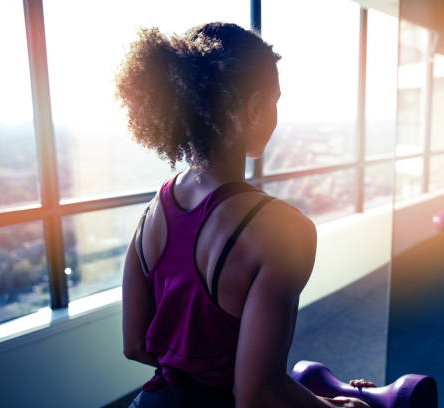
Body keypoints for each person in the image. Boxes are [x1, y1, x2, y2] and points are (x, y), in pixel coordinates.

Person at [117, 23, 371, 408]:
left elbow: (134, 345)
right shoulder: (282, 231)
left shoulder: (155, 208)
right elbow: (257, 394)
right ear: (254, 108)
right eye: (275, 100)